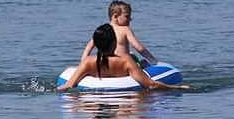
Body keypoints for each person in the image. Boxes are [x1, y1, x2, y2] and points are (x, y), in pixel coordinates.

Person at [58, 24, 189, 91]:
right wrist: (176, 88)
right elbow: (150, 85)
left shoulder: (88, 62)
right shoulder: (125, 61)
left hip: (94, 104)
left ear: (96, 44)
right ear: (114, 42)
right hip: (125, 105)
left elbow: (69, 85)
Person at [78, 0, 156, 67]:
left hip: (106, 65)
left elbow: (88, 47)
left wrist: (82, 63)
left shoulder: (102, 30)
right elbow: (139, 48)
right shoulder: (125, 29)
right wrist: (152, 60)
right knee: (140, 61)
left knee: (131, 55)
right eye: (127, 16)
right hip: (122, 66)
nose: (130, 19)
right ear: (115, 16)